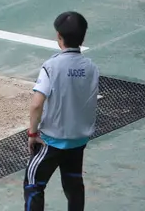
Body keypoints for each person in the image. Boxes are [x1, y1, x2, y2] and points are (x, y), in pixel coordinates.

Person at [23, 11, 99, 211]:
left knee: (33, 183)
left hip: (52, 140)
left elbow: (36, 104)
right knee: (74, 184)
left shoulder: (52, 66)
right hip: (79, 140)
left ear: (59, 37)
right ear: (83, 37)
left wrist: (32, 133)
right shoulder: (91, 67)